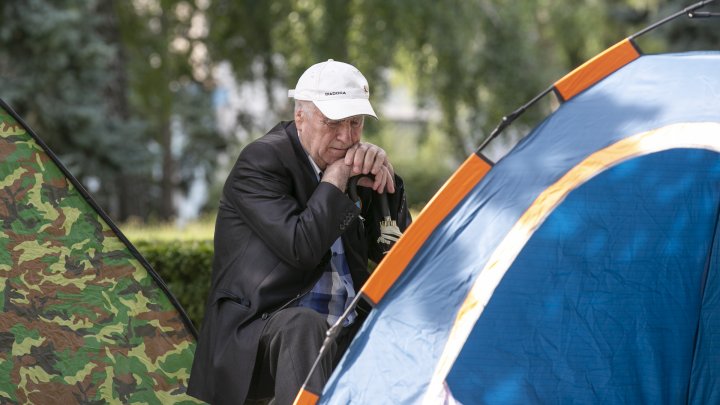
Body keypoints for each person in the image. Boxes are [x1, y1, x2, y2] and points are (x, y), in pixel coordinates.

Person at [187, 59, 411, 405]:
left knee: (406, 322)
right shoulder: (261, 162)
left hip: (341, 326)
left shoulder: (353, 161)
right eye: (333, 122)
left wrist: (386, 185)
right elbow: (301, 247)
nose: (347, 137)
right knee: (305, 327)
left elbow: (397, 256)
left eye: (355, 123)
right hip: (259, 333)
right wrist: (335, 181)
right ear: (300, 117)